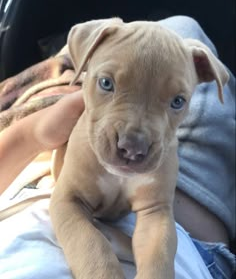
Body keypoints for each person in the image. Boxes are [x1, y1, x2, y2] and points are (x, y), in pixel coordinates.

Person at [0, 16, 235, 279]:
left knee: (176, 40)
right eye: (108, 84)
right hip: (197, 251)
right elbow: (68, 202)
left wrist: (34, 132)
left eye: (177, 101)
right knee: (185, 28)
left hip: (23, 209)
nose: (132, 146)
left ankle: (79, 64)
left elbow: (155, 211)